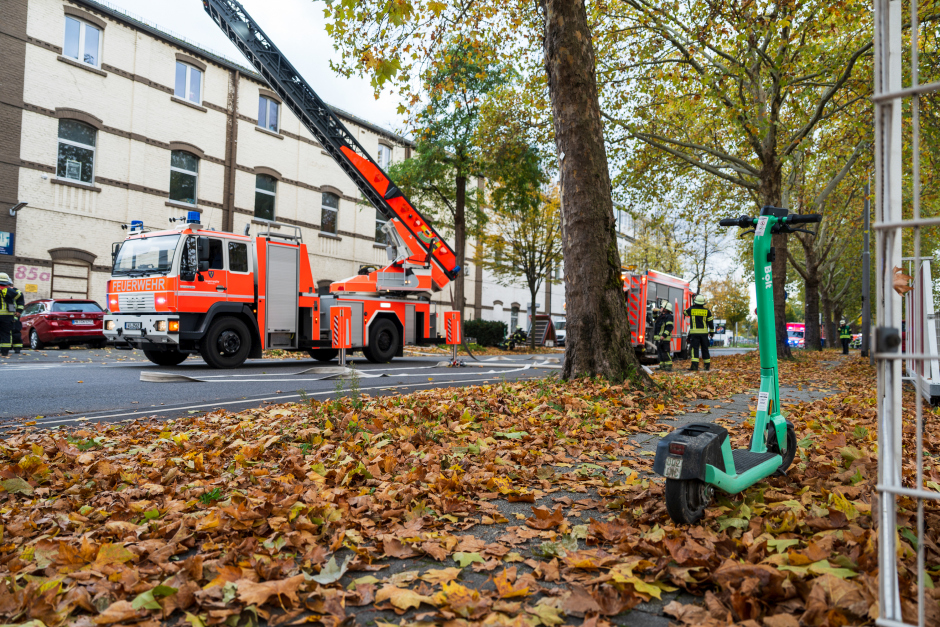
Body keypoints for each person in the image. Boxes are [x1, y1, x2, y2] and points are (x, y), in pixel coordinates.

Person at [685, 294, 715, 371]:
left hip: (694, 334)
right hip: (704, 335)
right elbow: (711, 323)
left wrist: (692, 305)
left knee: (694, 350)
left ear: (695, 302)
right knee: (705, 349)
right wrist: (711, 333)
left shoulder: (691, 310)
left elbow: (684, 312)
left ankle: (694, 367)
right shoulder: (707, 311)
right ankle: (707, 366)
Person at [0, 273, 24, 357]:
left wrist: (18, 311)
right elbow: (19, 296)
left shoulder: (11, 290)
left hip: (11, 315)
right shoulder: (12, 291)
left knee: (14, 332)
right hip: (8, 315)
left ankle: (16, 348)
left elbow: (20, 299)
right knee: (6, 333)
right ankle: (5, 352)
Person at [652, 302, 674, 372]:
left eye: (661, 307)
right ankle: (662, 366)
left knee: (665, 352)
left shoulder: (669, 317)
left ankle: (668, 367)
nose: (660, 308)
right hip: (659, 338)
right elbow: (655, 320)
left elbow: (669, 327)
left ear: (665, 309)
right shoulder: (661, 316)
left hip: (664, 338)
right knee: (660, 352)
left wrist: (664, 335)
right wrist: (654, 313)